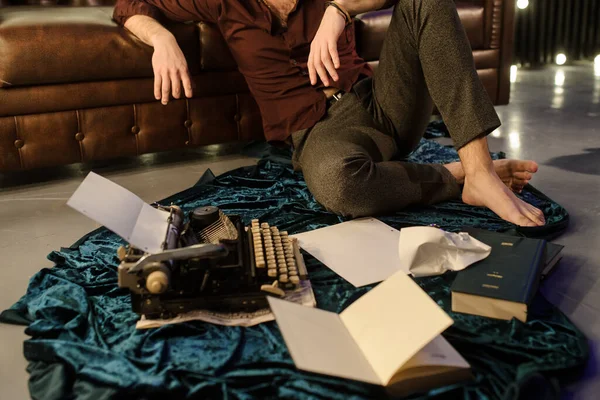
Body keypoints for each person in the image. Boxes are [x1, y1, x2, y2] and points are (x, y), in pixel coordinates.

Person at [113, 0, 546, 227]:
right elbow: (130, 5)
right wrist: (162, 39)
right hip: (319, 133)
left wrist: (339, 11)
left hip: (379, 101)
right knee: (338, 184)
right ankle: (458, 177)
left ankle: (481, 169)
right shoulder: (224, 2)